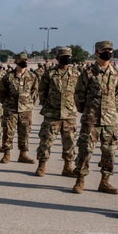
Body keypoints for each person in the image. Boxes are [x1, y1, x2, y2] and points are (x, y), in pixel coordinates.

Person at [72, 41, 118, 194]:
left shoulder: (116, 72)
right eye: (104, 50)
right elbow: (79, 94)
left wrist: (112, 110)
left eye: (110, 50)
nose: (107, 52)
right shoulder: (88, 73)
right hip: (91, 119)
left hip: (110, 121)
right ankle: (80, 180)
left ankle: (105, 182)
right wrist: (86, 110)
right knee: (85, 151)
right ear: (96, 52)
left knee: (109, 153)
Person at [34, 47, 79, 176]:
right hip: (52, 114)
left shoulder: (76, 74)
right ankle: (42, 165)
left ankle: (67, 167)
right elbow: (42, 91)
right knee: (46, 141)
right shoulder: (50, 74)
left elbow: (80, 92)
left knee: (69, 142)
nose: (67, 59)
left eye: (69, 56)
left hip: (69, 114)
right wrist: (48, 105)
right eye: (64, 56)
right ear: (58, 58)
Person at [0, 54, 38, 164]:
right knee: (8, 131)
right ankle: (6, 154)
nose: (24, 62)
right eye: (21, 60)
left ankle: (23, 154)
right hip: (10, 109)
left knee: (24, 132)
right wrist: (7, 103)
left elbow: (35, 91)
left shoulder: (32, 76)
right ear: (16, 62)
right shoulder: (8, 77)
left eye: (25, 60)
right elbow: (1, 92)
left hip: (25, 110)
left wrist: (29, 103)